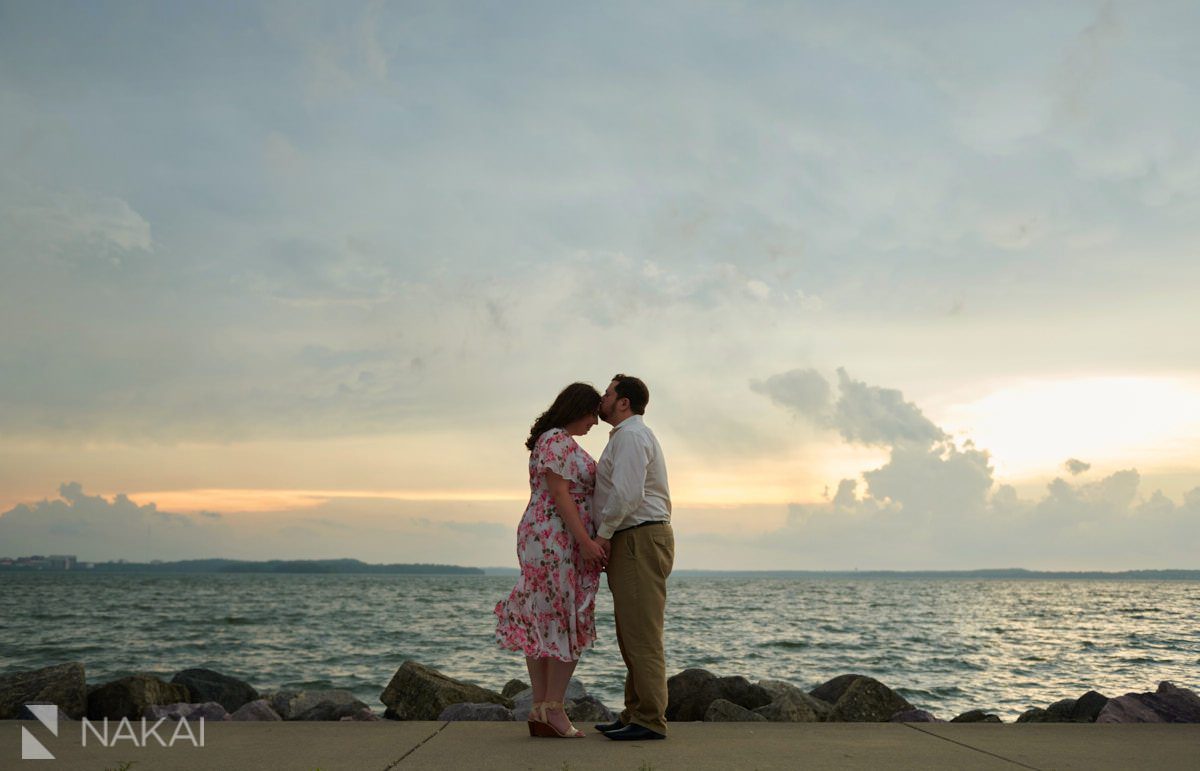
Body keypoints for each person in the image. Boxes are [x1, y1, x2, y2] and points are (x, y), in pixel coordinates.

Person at [494, 382, 609, 739]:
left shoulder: (550, 439)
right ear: (578, 409)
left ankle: (542, 708)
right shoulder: (557, 441)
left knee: (545, 616)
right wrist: (587, 541)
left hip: (543, 535)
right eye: (592, 414)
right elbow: (560, 494)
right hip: (556, 538)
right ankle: (554, 709)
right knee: (564, 615)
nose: (595, 422)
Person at [591, 374, 674, 741]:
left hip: (637, 538)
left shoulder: (631, 437)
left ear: (623, 402)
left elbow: (626, 494)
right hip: (634, 538)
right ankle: (635, 712)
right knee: (631, 633)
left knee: (641, 634)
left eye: (608, 393)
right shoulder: (626, 437)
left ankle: (650, 720)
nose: (602, 398)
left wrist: (602, 536)